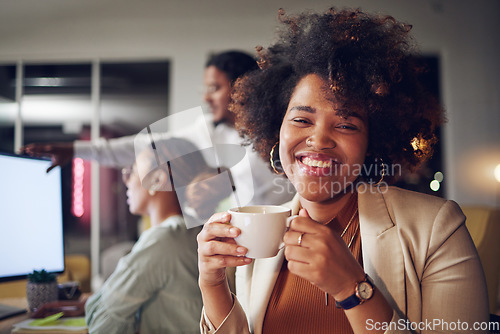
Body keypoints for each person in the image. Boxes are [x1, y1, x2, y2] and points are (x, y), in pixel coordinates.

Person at [197, 7, 489, 334]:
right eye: (301, 120)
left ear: (372, 142)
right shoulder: (262, 233)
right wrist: (212, 285)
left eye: (346, 125)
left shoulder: (437, 228)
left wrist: (353, 289)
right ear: (275, 130)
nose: (318, 140)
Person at [20, 51, 295, 208]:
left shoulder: (280, 130)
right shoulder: (207, 132)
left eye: (215, 88)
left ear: (241, 87)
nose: (206, 97)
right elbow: (143, 146)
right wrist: (76, 150)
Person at [83, 137, 231, 333]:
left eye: (132, 171)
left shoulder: (163, 240)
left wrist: (98, 301)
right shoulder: (196, 231)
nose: (126, 180)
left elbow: (101, 322)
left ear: (157, 180)